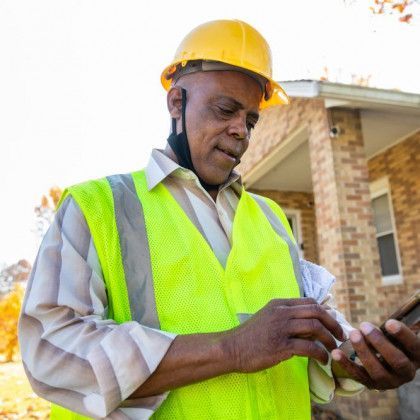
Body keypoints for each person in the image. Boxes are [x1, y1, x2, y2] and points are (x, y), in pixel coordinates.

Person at [18, 19, 419, 420]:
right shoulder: (98, 206)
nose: (240, 131)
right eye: (226, 110)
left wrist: (357, 364)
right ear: (177, 102)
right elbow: (51, 349)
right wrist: (231, 348)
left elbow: (317, 343)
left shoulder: (272, 219)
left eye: (250, 120)